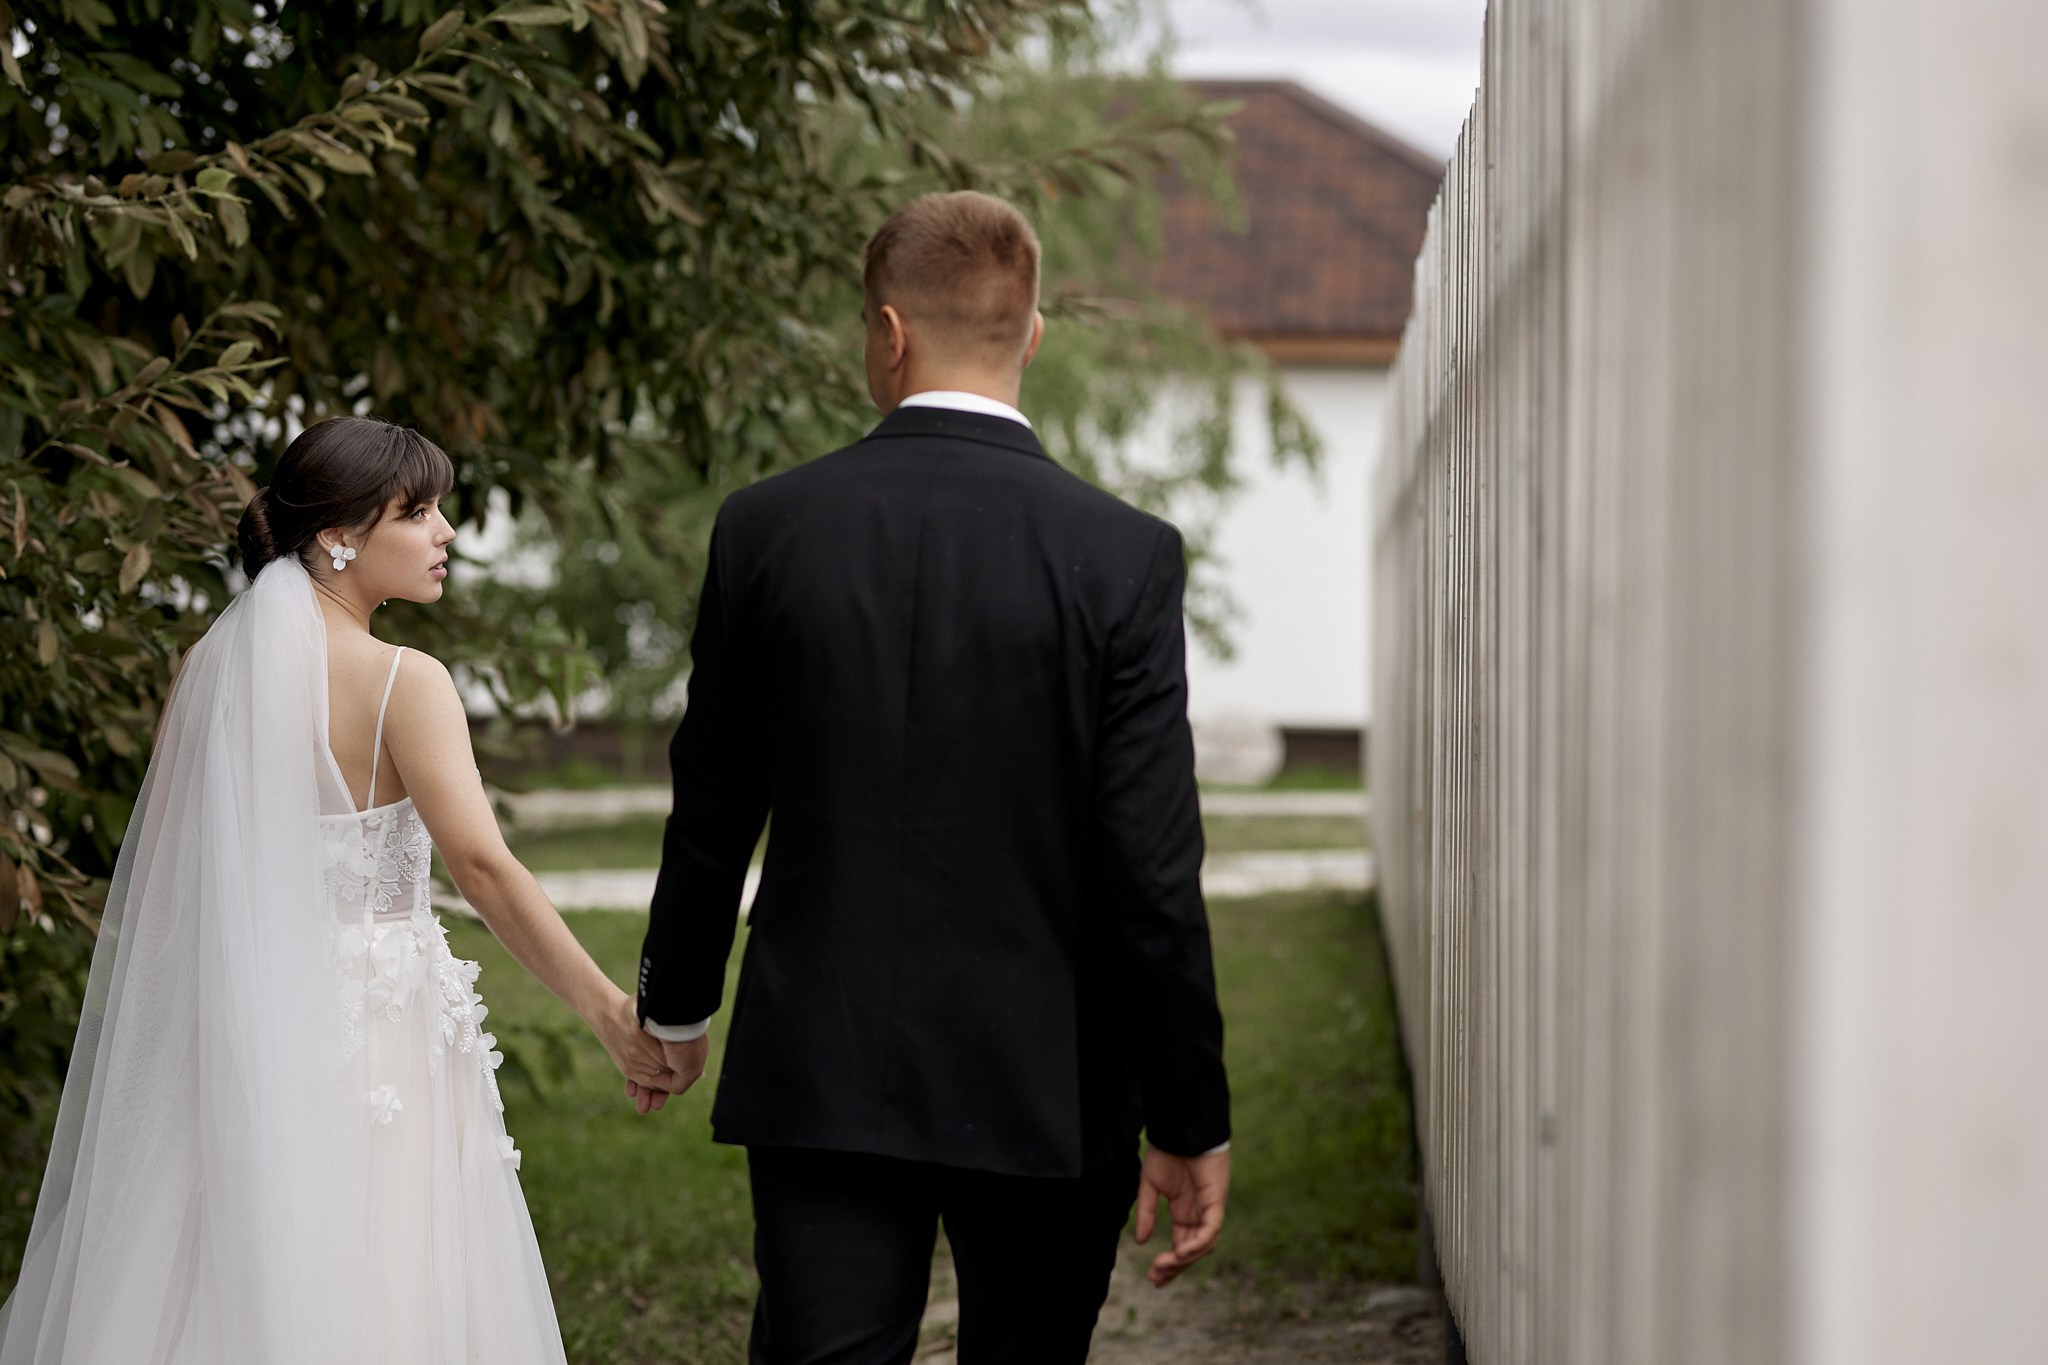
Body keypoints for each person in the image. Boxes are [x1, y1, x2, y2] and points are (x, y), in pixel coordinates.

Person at [632, 191, 1233, 1363]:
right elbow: (1150, 867)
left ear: (888, 332)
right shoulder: (1123, 557)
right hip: (1049, 1075)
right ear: (1034, 334)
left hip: (824, 1064)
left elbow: (711, 807)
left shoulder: (764, 529)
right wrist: (1187, 1112)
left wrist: (676, 1008)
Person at [0, 417, 673, 1365]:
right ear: (338, 536)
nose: (447, 533)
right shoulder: (406, 681)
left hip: (237, 1020)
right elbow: (482, 867)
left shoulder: (206, 670)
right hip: (380, 1036)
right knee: (388, 1272)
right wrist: (610, 1011)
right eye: (421, 511)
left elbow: (161, 874)